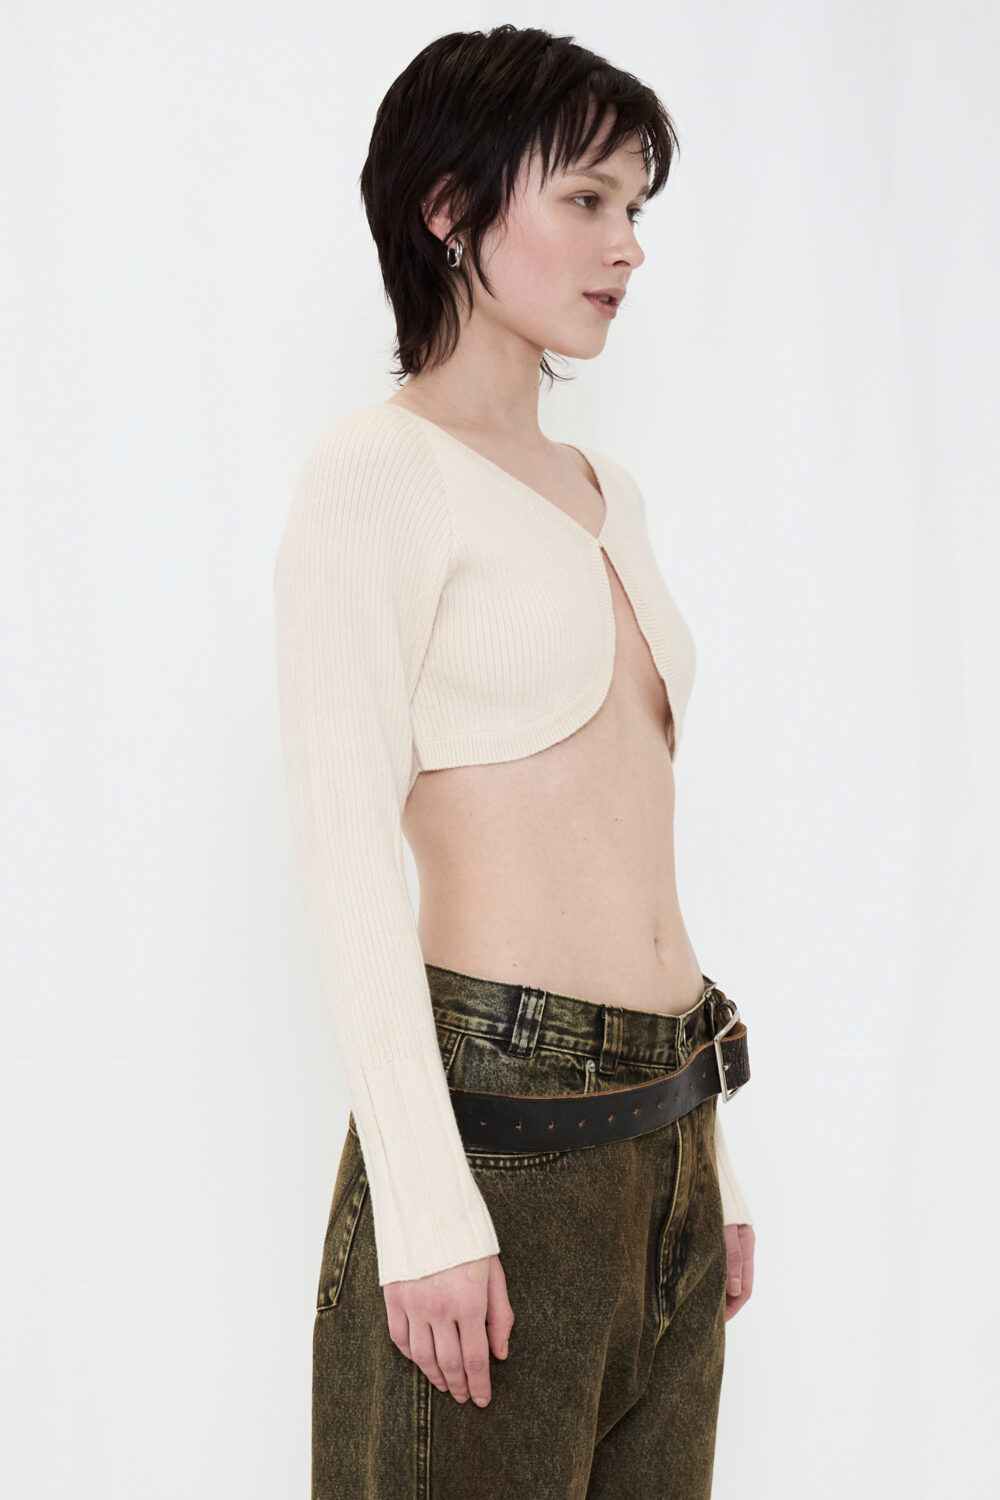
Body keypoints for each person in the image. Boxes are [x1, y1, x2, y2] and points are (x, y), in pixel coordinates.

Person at [273, 23, 756, 1500]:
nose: (628, 246)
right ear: (448, 209)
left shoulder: (611, 491)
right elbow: (344, 851)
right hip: (497, 1134)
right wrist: (424, 1210)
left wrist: (711, 1163)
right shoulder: (376, 473)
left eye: (637, 206)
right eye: (588, 199)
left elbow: (636, 840)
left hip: (671, 1124)